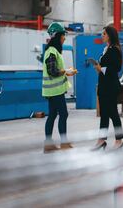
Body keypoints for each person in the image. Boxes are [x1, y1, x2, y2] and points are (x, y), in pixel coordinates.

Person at [42, 22, 77, 153]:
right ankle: (63, 143)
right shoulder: (51, 51)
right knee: (63, 114)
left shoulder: (53, 50)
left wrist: (66, 72)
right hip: (54, 90)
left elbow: (55, 70)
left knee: (52, 115)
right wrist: (65, 71)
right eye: (63, 35)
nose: (64, 38)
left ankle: (48, 144)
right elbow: (52, 71)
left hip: (53, 90)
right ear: (57, 36)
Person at [92, 25, 123, 150]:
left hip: (110, 87)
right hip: (104, 86)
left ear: (110, 35)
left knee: (113, 113)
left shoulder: (115, 50)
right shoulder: (106, 49)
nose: (102, 36)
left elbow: (116, 68)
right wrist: (99, 68)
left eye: (104, 34)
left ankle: (119, 140)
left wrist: (102, 69)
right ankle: (101, 140)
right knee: (104, 114)